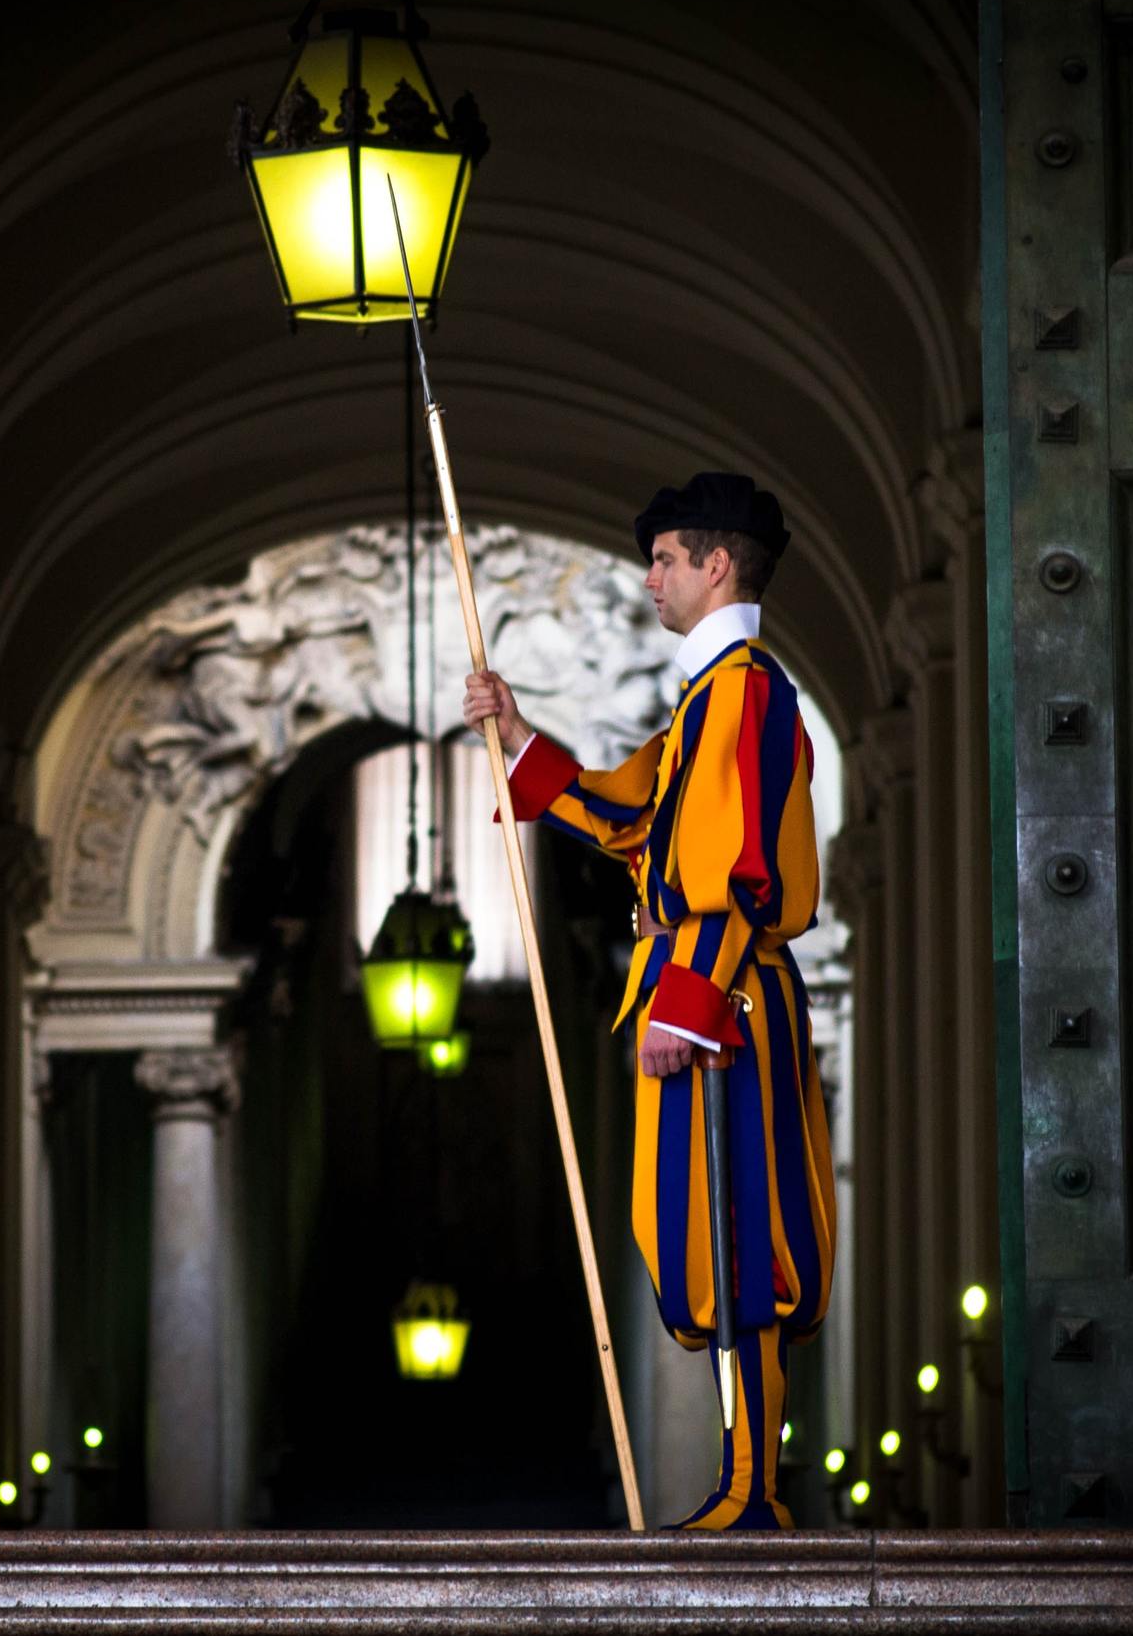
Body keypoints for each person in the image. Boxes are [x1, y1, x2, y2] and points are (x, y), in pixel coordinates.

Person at [463, 471, 835, 1531]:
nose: (650, 577)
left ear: (716, 564)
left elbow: (742, 868)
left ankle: (752, 1488)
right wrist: (520, 736)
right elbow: (630, 820)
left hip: (725, 1003)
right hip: (706, 993)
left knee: (743, 1237)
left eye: (665, 557)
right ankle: (738, 1480)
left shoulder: (746, 690)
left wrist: (684, 1002)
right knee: (701, 1238)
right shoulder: (704, 700)